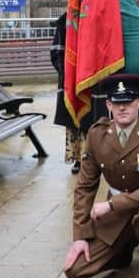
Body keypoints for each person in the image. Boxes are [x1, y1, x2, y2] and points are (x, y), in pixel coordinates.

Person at [63, 74, 139, 278]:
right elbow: (85, 187)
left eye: (128, 101)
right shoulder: (97, 135)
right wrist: (80, 236)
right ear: (108, 105)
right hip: (115, 217)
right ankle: (122, 249)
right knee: (75, 270)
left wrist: (112, 205)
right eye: (117, 102)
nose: (123, 108)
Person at [50, 12, 85, 174]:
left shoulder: (96, 16)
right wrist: (67, 74)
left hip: (92, 78)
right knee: (73, 122)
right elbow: (56, 53)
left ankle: (94, 157)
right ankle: (78, 158)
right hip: (70, 80)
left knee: (94, 121)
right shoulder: (65, 21)